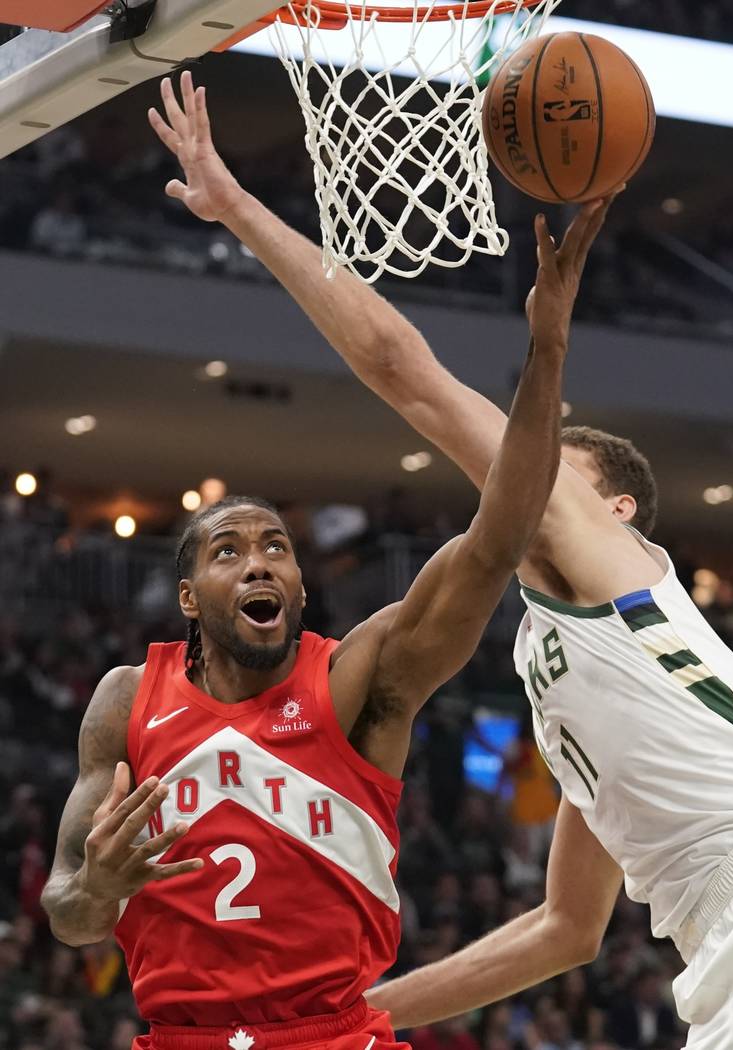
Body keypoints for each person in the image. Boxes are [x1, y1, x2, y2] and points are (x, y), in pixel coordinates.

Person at [151, 83, 733, 1050]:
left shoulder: (603, 557)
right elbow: (563, 931)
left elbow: (405, 373)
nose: (516, 464)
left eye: (548, 459)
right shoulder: (564, 680)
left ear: (612, 509)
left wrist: (236, 206)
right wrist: (337, 1017)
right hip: (727, 942)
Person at [40, 72, 608, 1050]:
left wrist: (545, 357)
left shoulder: (358, 682)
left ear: (301, 586)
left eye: (277, 549)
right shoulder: (125, 701)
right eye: (231, 550)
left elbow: (495, 544)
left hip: (334, 1035)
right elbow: (68, 914)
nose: (260, 562)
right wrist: (99, 884)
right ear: (190, 595)